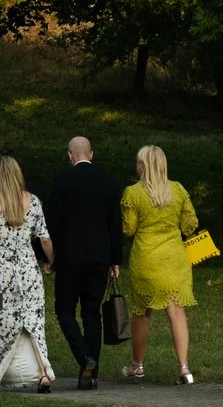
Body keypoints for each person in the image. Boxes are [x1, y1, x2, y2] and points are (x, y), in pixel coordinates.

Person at [44, 135, 125, 389]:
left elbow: (52, 222)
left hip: (69, 256)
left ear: (70, 156)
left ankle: (84, 357)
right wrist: (115, 260)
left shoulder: (62, 181)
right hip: (100, 256)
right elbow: (115, 224)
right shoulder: (108, 182)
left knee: (65, 310)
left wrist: (50, 257)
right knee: (92, 313)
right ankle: (92, 373)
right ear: (91, 154)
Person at [0, 154, 56, 392]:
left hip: (1, 267)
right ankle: (42, 374)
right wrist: (51, 261)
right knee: (33, 322)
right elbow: (45, 238)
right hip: (27, 268)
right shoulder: (33, 201)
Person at [122, 144, 199, 384]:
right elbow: (190, 223)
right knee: (176, 311)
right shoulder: (177, 190)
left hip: (146, 258)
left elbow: (129, 229)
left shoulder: (133, 193)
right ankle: (185, 368)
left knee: (142, 312)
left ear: (142, 166)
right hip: (175, 258)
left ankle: (138, 365)